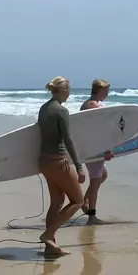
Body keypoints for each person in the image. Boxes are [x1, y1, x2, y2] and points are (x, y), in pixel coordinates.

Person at [37, 76, 85, 255]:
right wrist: (79, 167)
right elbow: (68, 139)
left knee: (57, 202)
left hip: (43, 161)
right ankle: (48, 235)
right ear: (63, 90)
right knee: (78, 201)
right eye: (69, 89)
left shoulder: (43, 108)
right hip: (57, 162)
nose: (70, 92)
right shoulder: (61, 110)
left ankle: (51, 248)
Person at [80, 79, 114, 225]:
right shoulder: (93, 105)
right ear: (99, 90)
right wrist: (107, 148)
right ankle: (91, 217)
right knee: (95, 181)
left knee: (102, 175)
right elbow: (102, 129)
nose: (107, 94)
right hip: (94, 149)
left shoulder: (88, 104)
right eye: (106, 91)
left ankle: (83, 201)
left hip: (90, 147)